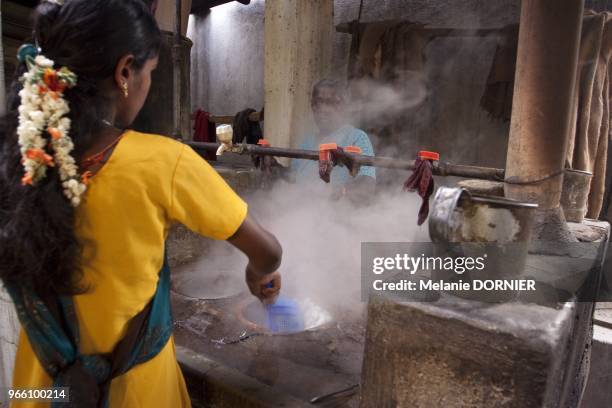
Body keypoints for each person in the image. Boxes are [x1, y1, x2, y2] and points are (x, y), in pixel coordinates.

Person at [0, 1, 282, 407]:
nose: (148, 84)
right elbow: (268, 250)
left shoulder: (18, 160)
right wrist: (259, 273)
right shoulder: (163, 161)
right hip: (136, 391)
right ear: (125, 72)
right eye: (150, 73)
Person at [291, 79, 376, 201]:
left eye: (331, 103)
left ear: (344, 107)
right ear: (312, 106)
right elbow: (292, 178)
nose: (323, 109)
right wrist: (275, 168)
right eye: (318, 103)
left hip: (339, 216)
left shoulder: (356, 137)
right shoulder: (307, 140)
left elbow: (366, 187)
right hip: (300, 213)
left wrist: (339, 192)